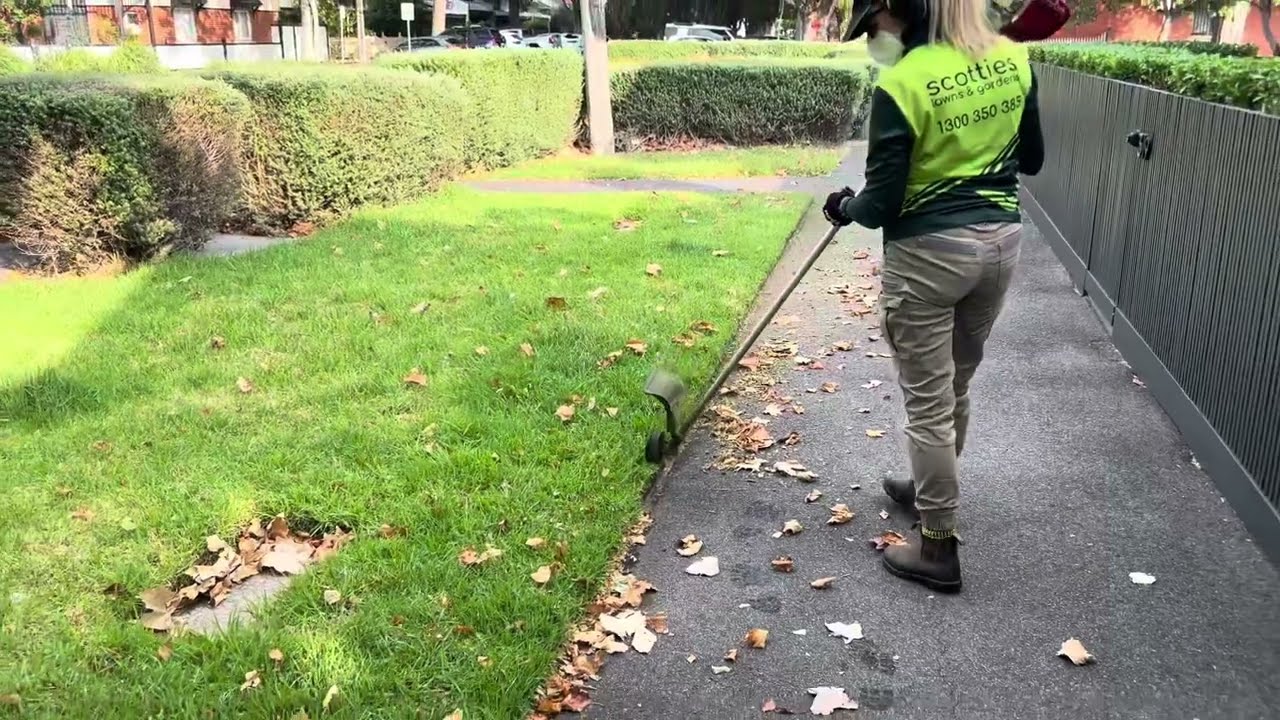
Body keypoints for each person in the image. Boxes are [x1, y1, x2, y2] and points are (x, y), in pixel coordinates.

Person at [823, 0, 1044, 593]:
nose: (874, 39)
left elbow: (882, 204)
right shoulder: (1013, 58)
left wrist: (844, 205)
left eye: (874, 27)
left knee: (927, 402)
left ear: (901, 11)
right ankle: (928, 495)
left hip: (929, 255)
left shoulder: (903, 82)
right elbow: (1034, 158)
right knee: (956, 384)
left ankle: (938, 546)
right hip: (1000, 245)